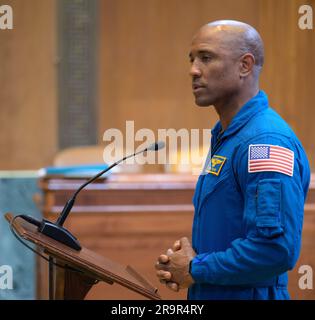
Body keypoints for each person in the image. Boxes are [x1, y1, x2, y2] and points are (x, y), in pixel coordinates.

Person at [155, 20, 311, 300]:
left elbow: (273, 251)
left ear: (245, 66)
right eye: (192, 59)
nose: (193, 70)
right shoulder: (229, 136)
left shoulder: (264, 142)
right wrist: (185, 262)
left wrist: (195, 267)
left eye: (206, 58)